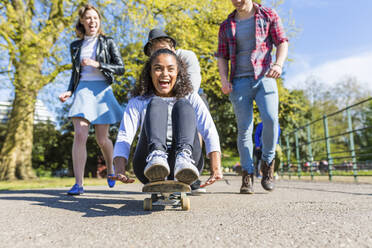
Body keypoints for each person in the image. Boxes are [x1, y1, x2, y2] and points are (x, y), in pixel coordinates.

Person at [112, 49, 223, 188]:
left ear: (178, 73)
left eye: (171, 69)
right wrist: (119, 169)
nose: (165, 74)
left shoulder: (191, 96)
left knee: (182, 103)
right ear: (150, 73)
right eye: (158, 69)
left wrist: (216, 168)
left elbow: (209, 130)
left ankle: (184, 160)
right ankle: (157, 157)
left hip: (189, 162)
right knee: (157, 102)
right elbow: (125, 135)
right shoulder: (138, 101)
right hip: (147, 164)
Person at [216, 0, 288, 194]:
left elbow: (282, 41)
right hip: (239, 82)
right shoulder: (226, 25)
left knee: (271, 120)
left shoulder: (268, 15)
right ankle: (247, 174)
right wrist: (224, 80)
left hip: (265, 77)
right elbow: (221, 55)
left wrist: (278, 65)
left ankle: (267, 164)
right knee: (244, 129)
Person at [59, 4, 124, 195]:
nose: (92, 21)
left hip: (102, 91)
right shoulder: (75, 46)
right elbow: (75, 72)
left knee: (102, 139)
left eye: (95, 17)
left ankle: (110, 170)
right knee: (80, 134)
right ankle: (78, 184)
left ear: (99, 21)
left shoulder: (108, 42)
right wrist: (70, 91)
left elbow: (120, 68)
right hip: (82, 90)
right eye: (88, 18)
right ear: (82, 21)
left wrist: (98, 64)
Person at [143, 28, 207, 193]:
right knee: (156, 106)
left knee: (187, 111)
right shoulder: (152, 69)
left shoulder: (187, 56)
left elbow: (190, 88)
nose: (160, 54)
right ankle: (157, 157)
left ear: (171, 47)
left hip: (185, 97)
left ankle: (187, 160)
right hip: (160, 101)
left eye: (162, 48)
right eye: (155, 52)